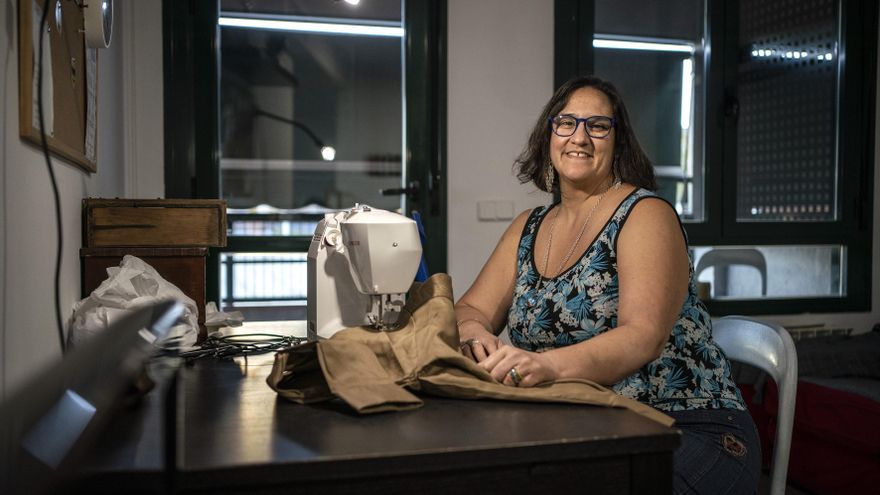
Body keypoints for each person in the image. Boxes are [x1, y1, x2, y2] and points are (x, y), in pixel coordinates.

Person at [454, 75, 761, 494]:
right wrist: (473, 332)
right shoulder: (527, 228)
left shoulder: (645, 214)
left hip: (684, 425)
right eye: (567, 122)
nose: (580, 136)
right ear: (549, 135)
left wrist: (546, 365)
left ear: (618, 142)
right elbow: (469, 311)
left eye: (598, 125)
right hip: (588, 424)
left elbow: (642, 337)